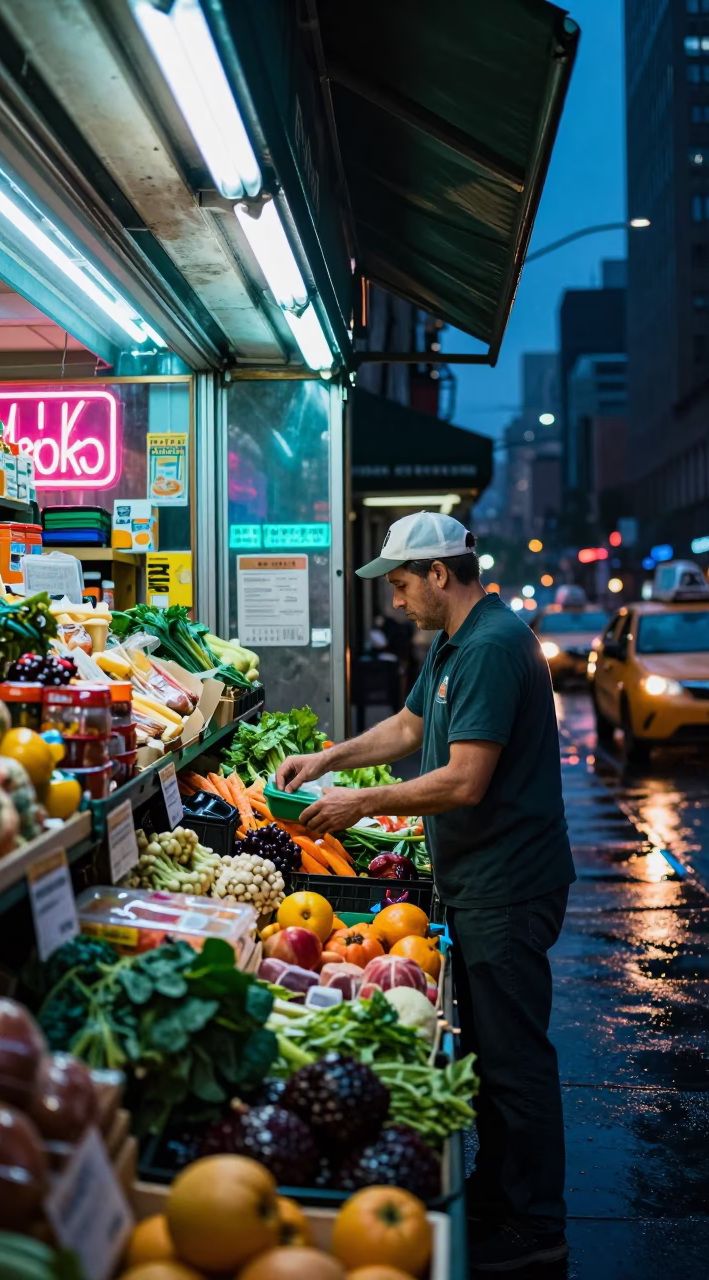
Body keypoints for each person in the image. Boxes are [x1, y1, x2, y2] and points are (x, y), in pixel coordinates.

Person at [275, 511, 575, 1273]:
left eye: (404, 584)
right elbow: (410, 728)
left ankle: (537, 1226)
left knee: (515, 1061)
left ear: (440, 574)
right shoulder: (452, 643)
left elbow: (466, 779)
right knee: (489, 1050)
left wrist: (361, 804)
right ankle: (499, 1195)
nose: (398, 600)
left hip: (508, 884)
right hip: (476, 881)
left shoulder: (494, 648)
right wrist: (327, 758)